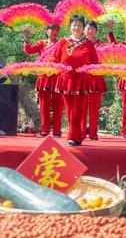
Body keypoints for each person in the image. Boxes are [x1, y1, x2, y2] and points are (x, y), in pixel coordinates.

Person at [52, 15, 98, 146]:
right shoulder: (63, 41)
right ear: (70, 26)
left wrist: (87, 69)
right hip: (65, 79)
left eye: (79, 25)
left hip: (81, 80)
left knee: (78, 109)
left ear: (83, 27)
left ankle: (73, 136)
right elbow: (55, 59)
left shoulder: (88, 44)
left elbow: (95, 62)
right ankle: (77, 135)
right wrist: (58, 68)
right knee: (69, 108)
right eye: (74, 24)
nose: (76, 27)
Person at [23, 24, 63, 137]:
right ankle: (45, 130)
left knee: (58, 106)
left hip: (57, 77)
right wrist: (27, 37)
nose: (55, 32)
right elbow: (29, 50)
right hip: (44, 77)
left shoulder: (62, 44)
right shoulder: (41, 43)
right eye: (52, 30)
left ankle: (56, 131)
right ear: (47, 32)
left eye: (57, 30)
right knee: (44, 106)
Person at [82, 20, 107, 140]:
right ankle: (80, 132)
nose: (90, 31)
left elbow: (107, 57)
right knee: (81, 107)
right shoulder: (79, 44)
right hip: (82, 79)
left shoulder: (102, 45)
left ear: (96, 31)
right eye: (88, 28)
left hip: (96, 79)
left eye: (93, 28)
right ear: (83, 30)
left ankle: (93, 133)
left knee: (94, 108)